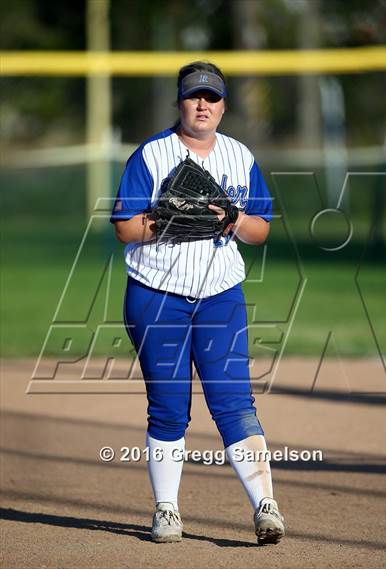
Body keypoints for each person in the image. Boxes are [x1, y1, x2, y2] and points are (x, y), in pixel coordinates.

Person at [110, 61, 285, 546]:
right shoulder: (151, 155)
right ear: (181, 103)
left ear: (224, 105)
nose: (202, 105)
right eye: (193, 97)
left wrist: (230, 218)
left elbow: (260, 231)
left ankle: (265, 507)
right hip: (156, 296)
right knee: (169, 409)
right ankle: (167, 510)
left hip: (220, 298)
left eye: (212, 97)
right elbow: (125, 227)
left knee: (234, 403)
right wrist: (170, 218)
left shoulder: (239, 156)